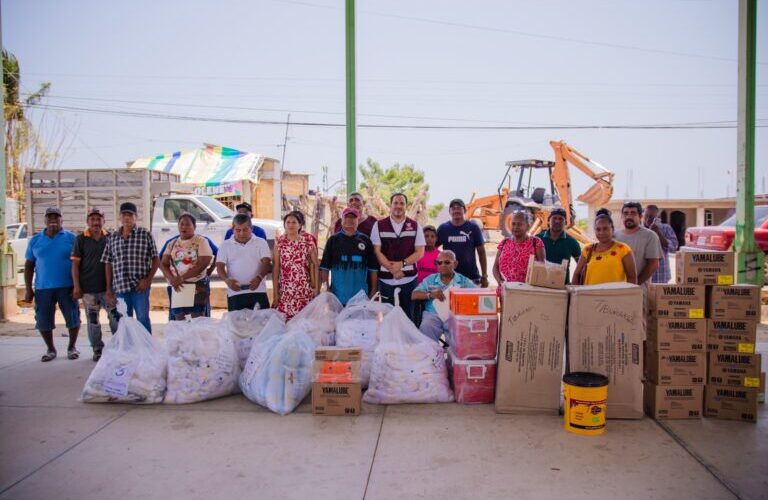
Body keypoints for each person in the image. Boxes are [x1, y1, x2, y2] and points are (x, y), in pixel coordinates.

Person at [25, 207, 81, 362]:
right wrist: (28, 289)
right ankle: (51, 349)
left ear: (61, 220)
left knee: (73, 318)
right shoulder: (35, 240)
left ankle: (72, 347)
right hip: (43, 288)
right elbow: (29, 265)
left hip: (67, 286)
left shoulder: (72, 238)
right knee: (43, 320)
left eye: (56, 218)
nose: (53, 221)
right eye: (49, 218)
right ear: (45, 220)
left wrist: (78, 286)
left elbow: (79, 263)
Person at [102, 202, 160, 334]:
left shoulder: (145, 234)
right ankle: (128, 349)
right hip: (121, 288)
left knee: (142, 318)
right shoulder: (112, 238)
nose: (127, 218)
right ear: (120, 217)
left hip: (140, 287)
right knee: (124, 320)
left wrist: (148, 280)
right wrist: (109, 289)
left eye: (130, 215)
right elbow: (108, 263)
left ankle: (146, 350)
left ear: (136, 217)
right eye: (124, 215)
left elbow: (156, 259)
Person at [71, 207, 117, 362]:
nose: (96, 222)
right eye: (93, 219)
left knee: (115, 319)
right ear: (87, 221)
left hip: (108, 289)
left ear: (104, 221)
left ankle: (118, 347)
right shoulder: (80, 239)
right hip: (88, 289)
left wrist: (112, 287)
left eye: (99, 219)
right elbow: (75, 265)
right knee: (93, 322)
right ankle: (97, 349)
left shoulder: (110, 238)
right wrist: (77, 286)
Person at [371, 193, 425, 319]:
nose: (398, 206)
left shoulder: (415, 226)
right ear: (391, 205)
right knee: (388, 319)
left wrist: (401, 264)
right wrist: (392, 269)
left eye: (402, 203)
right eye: (396, 203)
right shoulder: (379, 225)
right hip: (385, 281)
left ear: (406, 206)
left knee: (408, 318)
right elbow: (377, 252)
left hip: (409, 280)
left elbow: (420, 252)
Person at [412, 250, 476, 343]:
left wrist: (463, 295)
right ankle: (432, 355)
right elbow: (414, 295)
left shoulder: (463, 281)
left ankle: (453, 355)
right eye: (439, 262)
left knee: (462, 332)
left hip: (455, 316)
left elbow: (477, 295)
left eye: (447, 262)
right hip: (433, 315)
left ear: (455, 264)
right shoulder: (430, 279)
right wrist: (430, 295)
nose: (443, 265)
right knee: (426, 326)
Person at [159, 213, 214, 320]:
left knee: (197, 318)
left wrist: (181, 278)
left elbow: (202, 263)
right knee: (180, 319)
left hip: (197, 285)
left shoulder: (201, 241)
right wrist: (172, 279)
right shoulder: (172, 243)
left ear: (194, 227)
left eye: (188, 224)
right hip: (178, 286)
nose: (184, 227)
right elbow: (163, 264)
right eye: (181, 224)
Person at [320, 207, 378, 305]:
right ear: (341, 221)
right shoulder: (333, 240)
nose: (350, 220)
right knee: (338, 320)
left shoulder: (366, 240)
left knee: (360, 320)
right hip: (338, 297)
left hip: (361, 297)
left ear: (358, 221)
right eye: (347, 217)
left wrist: (373, 290)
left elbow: (373, 269)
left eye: (353, 218)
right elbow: (325, 267)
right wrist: (327, 289)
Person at [216, 214, 272, 311]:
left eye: (245, 229)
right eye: (238, 230)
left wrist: (259, 278)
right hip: (235, 292)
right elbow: (219, 267)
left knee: (261, 323)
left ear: (251, 228)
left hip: (258, 291)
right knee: (237, 325)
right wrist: (227, 281)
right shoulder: (225, 245)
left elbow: (266, 263)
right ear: (232, 229)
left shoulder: (261, 242)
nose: (242, 233)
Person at [273, 210, 319, 319]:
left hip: (304, 290)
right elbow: (275, 270)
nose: (290, 225)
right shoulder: (279, 243)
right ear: (284, 225)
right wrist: (275, 294)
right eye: (288, 222)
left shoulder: (308, 242)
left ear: (300, 225)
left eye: (294, 222)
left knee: (304, 323)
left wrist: (316, 289)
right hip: (286, 291)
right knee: (286, 323)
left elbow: (316, 266)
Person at [572, 209, 638, 285]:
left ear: (612, 229)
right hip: (590, 295)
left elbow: (632, 277)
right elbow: (576, 274)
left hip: (616, 296)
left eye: (605, 229)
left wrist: (629, 295)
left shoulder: (623, 249)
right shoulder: (587, 250)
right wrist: (574, 294)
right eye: (598, 229)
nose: (601, 232)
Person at [437, 198, 488, 286]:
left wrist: (484, 276)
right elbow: (432, 249)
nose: (456, 210)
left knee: (472, 300)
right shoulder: (443, 228)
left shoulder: (473, 227)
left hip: (471, 278)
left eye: (459, 208)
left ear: (464, 210)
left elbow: (481, 252)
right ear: (449, 211)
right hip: (449, 278)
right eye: (453, 208)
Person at [492, 211, 545, 288]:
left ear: (528, 226)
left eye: (520, 224)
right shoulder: (504, 243)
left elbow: (542, 269)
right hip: (506, 292)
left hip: (527, 293)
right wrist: (500, 282)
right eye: (513, 224)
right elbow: (495, 267)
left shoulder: (536, 243)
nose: (516, 227)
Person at [614, 201, 662, 287]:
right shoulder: (615, 236)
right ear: (622, 216)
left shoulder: (650, 236)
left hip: (639, 290)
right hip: (616, 288)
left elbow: (653, 264)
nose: (628, 216)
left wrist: (634, 285)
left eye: (633, 213)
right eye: (625, 213)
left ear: (640, 217)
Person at [535, 207, 582, 285]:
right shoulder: (538, 239)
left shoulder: (572, 242)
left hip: (562, 287)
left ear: (565, 222)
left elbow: (581, 267)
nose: (557, 221)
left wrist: (575, 284)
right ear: (549, 221)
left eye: (561, 219)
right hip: (540, 285)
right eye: (554, 218)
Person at [644, 204, 679, 284]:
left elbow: (673, 247)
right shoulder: (639, 230)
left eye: (652, 217)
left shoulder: (666, 228)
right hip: (643, 275)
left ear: (657, 218)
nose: (648, 219)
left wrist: (658, 232)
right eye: (647, 216)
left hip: (661, 274)